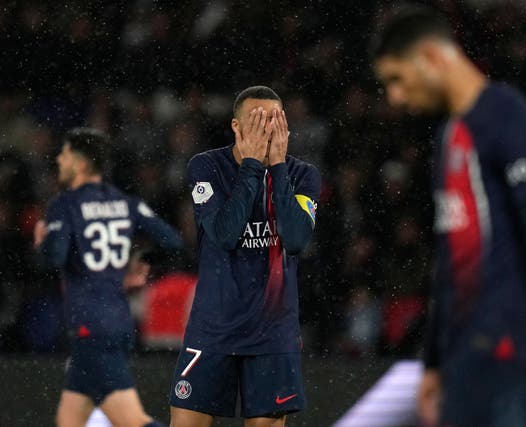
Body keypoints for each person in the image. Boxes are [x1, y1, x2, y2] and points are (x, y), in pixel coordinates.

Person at [371, 6, 526, 427]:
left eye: (396, 79)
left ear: (431, 56)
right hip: (469, 353)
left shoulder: (508, 117)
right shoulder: (451, 137)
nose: (394, 96)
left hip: (505, 343)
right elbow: (450, 264)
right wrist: (433, 361)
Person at [169, 86, 321, 427]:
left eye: (275, 120)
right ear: (236, 127)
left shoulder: (302, 175)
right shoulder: (206, 167)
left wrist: (277, 169)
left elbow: (296, 239)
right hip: (212, 331)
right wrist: (252, 166)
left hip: (272, 335)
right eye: (257, 121)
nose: (268, 129)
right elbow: (224, 234)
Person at [34, 127, 183, 427]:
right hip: (114, 320)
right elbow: (173, 242)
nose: (59, 161)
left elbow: (54, 258)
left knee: (133, 421)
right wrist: (138, 262)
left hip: (91, 326)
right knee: (69, 419)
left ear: (81, 163)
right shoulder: (125, 203)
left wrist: (42, 243)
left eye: (64, 155)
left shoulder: (66, 205)